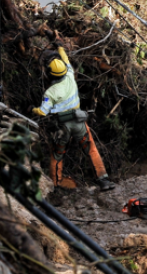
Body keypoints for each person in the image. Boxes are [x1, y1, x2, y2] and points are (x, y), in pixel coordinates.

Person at [32, 45, 115, 191]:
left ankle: (56, 185)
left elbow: (43, 112)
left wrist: (33, 109)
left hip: (62, 127)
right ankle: (103, 180)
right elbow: (66, 59)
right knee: (91, 149)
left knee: (57, 155)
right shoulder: (70, 75)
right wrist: (60, 48)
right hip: (79, 122)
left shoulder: (50, 92)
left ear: (50, 74)